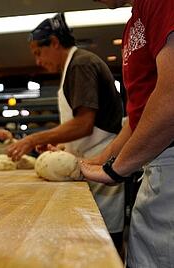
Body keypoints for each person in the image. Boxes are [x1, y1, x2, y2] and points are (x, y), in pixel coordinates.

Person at [6, 13, 125, 253]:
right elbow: (83, 126)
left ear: (54, 42)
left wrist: (33, 139)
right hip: (86, 164)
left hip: (101, 167)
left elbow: (84, 124)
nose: (38, 61)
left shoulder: (80, 63)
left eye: (38, 52)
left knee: (101, 247)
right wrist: (62, 147)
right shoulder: (73, 65)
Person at [81, 1, 174, 267]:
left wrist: (116, 170)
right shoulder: (136, 18)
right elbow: (140, 118)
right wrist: (100, 160)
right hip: (158, 170)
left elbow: (171, 97)